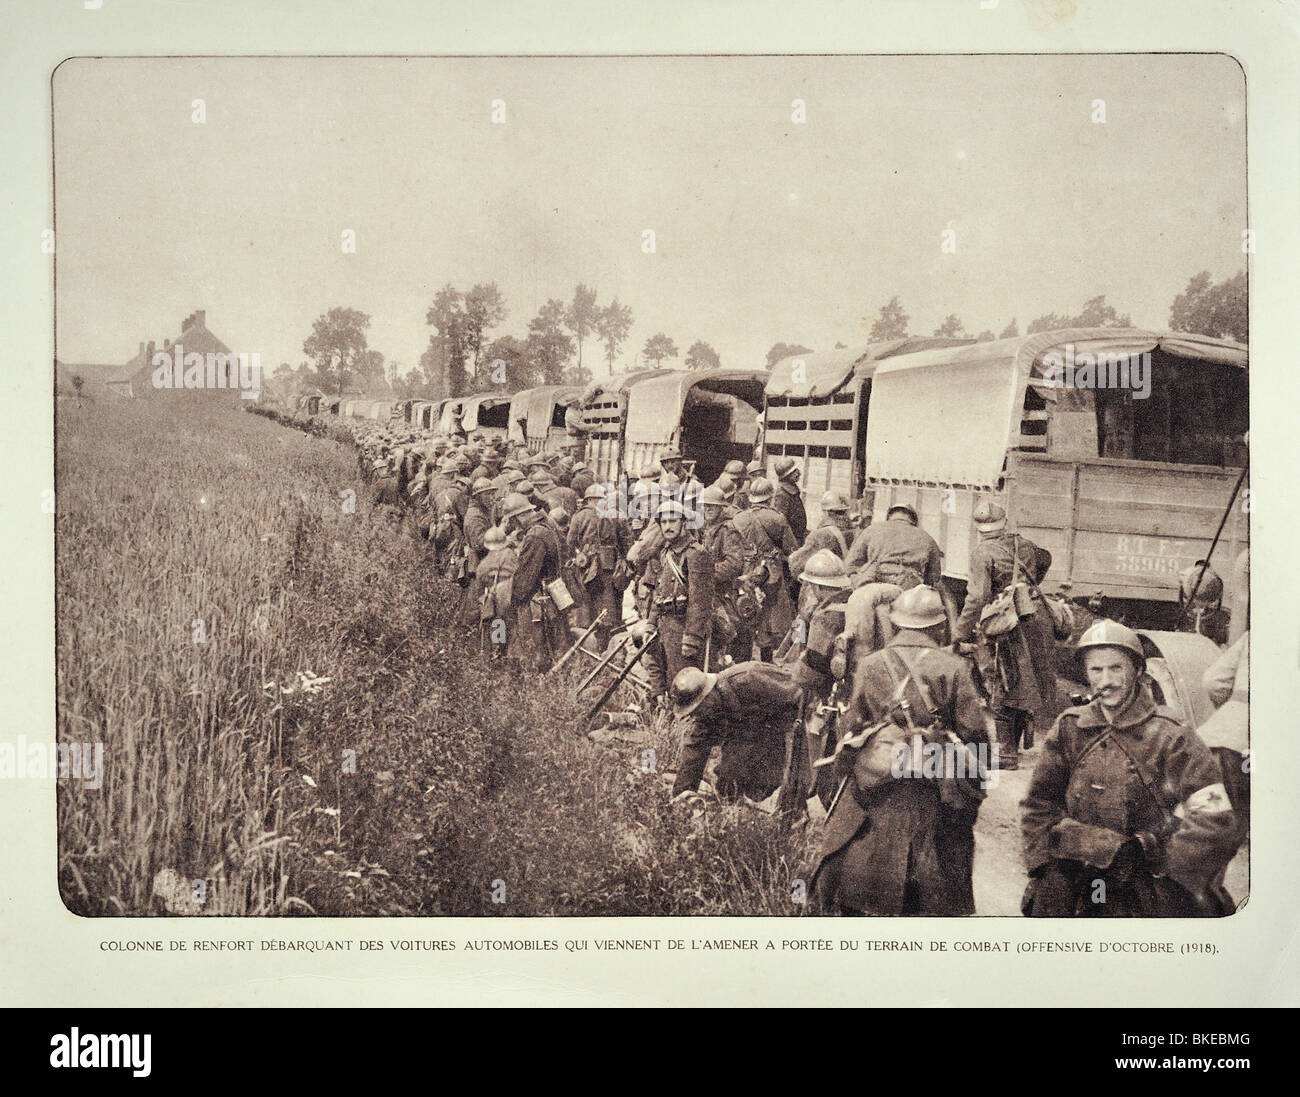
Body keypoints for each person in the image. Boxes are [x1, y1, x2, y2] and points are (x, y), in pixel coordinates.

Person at [1020, 619, 1239, 917]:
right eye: (1096, 670)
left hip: (1143, 884)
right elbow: (1038, 804)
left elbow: (1215, 819)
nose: (1106, 680)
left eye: (1116, 668)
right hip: (1074, 874)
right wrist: (1045, 866)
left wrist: (1168, 872)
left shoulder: (1171, 734)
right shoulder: (1069, 728)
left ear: (1137, 671)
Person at [811, 585, 990, 916]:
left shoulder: (870, 664)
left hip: (879, 778)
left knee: (844, 845)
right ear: (939, 626)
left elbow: (851, 726)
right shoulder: (953, 668)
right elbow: (976, 738)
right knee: (947, 859)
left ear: (894, 623)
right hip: (933, 783)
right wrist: (971, 794)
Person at [952, 501, 1055, 770]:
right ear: (1004, 523)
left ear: (979, 529)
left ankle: (1006, 754)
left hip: (1006, 624)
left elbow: (977, 597)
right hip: (1032, 616)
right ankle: (1014, 748)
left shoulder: (982, 553)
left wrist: (960, 632)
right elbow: (1046, 557)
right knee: (1024, 684)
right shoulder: (1026, 545)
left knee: (1001, 684)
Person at [669, 663, 801, 801]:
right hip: (749, 735)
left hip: (783, 726)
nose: (695, 715)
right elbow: (694, 752)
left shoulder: (750, 677)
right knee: (727, 785)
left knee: (778, 784)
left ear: (708, 695)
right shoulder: (708, 711)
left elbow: (798, 692)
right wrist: (681, 797)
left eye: (696, 708)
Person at [640, 499, 714, 708]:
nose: (667, 526)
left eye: (673, 521)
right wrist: (651, 623)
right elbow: (659, 594)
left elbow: (700, 602)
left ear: (684, 523)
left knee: (685, 685)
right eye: (663, 522)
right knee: (664, 680)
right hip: (666, 627)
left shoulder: (696, 554)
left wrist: (691, 638)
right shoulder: (666, 553)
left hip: (684, 630)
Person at [732, 477, 798, 663]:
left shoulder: (738, 518)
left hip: (744, 572)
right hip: (770, 574)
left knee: (744, 611)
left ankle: (742, 658)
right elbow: (791, 549)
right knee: (767, 619)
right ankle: (766, 660)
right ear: (770, 498)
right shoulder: (776, 518)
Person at [503, 492, 565, 673]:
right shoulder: (546, 525)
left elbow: (524, 582)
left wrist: (510, 599)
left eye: (513, 521)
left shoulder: (535, 536)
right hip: (553, 593)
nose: (513, 526)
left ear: (520, 516)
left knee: (536, 649)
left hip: (540, 600)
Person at [568, 483, 631, 653]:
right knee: (611, 608)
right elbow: (627, 545)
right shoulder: (617, 516)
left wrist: (579, 554)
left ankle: (589, 647)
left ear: (587, 499)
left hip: (585, 569)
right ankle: (609, 648)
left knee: (586, 608)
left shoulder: (579, 517)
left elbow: (569, 543)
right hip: (610, 568)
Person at [844, 503, 944, 592]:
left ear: (889, 517)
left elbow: (850, 565)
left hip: (874, 583)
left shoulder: (871, 530)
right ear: (914, 520)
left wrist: (858, 581)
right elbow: (934, 577)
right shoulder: (927, 538)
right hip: (909, 589)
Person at [697, 484, 745, 668]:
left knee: (724, 637)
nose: (708, 509)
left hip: (723, 595)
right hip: (708, 593)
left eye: (712, 506)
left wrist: (705, 574)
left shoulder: (728, 530)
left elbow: (734, 564)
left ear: (721, 507)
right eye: (705, 505)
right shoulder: (707, 529)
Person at [788, 491, 853, 578]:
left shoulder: (819, 535)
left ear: (826, 512)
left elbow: (797, 564)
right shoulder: (855, 531)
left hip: (824, 582)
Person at [770, 456, 809, 544]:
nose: (798, 473)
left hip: (798, 537)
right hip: (791, 541)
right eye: (794, 472)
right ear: (786, 476)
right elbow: (781, 523)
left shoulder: (792, 491)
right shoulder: (781, 494)